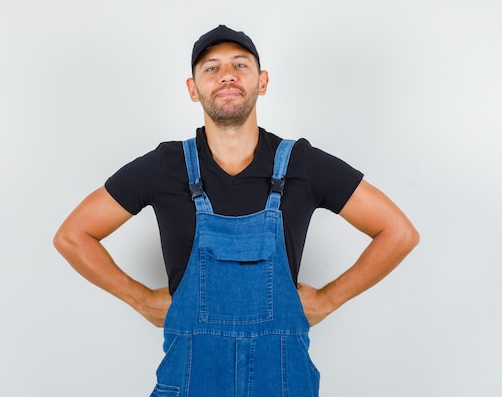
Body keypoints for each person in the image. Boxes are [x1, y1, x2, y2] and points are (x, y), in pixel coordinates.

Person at [53, 24, 419, 397]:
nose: (226, 74)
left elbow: (398, 233)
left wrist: (328, 300)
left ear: (262, 82)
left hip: (282, 384)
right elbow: (73, 236)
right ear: (192, 89)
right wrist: (141, 300)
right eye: (211, 67)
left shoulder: (302, 165)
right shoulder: (166, 165)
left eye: (240, 65)